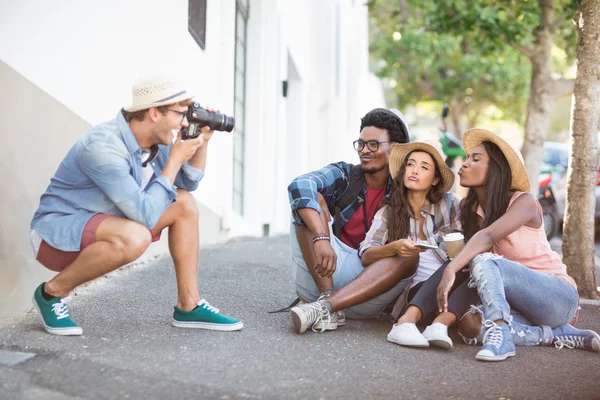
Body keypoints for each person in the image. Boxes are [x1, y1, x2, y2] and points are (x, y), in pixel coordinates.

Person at [29, 76, 243, 335]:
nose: (184, 122)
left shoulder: (156, 140)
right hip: (58, 234)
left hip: (107, 224)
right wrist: (174, 160)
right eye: (180, 114)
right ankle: (51, 294)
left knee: (184, 203)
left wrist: (202, 142)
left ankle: (189, 305)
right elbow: (144, 214)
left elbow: (188, 182)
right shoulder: (103, 145)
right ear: (154, 112)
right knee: (136, 236)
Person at [437, 128, 600, 361]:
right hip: (513, 303)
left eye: (475, 159)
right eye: (466, 158)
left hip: (556, 297)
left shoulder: (524, 202)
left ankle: (502, 335)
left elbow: (487, 238)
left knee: (485, 260)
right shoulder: (469, 209)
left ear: (495, 169)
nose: (464, 164)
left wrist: (450, 271)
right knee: (470, 326)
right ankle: (554, 336)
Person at [287, 108, 415, 333]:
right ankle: (327, 303)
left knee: (409, 256)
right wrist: (321, 236)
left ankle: (327, 307)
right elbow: (300, 185)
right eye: (361, 144)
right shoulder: (346, 175)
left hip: (367, 290)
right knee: (309, 200)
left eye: (374, 144)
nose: (365, 150)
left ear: (394, 148)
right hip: (323, 274)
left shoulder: (408, 190)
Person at [358, 140, 466, 349]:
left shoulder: (450, 204)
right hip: (417, 293)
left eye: (424, 167)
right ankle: (407, 322)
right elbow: (366, 254)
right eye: (411, 164)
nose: (414, 171)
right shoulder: (389, 211)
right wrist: (394, 247)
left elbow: (464, 247)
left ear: (435, 179)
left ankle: (438, 326)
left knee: (469, 261)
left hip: (454, 283)